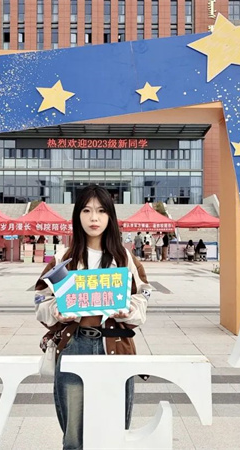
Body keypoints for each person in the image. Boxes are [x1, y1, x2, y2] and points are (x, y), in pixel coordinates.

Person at [34, 185, 151, 450]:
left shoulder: (124, 259)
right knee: (74, 437)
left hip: (116, 347)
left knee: (114, 432)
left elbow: (143, 297)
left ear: (110, 216)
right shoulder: (63, 259)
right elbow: (40, 300)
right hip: (74, 346)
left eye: (100, 211)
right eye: (86, 211)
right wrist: (56, 312)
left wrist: (129, 310)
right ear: (77, 216)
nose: (94, 218)